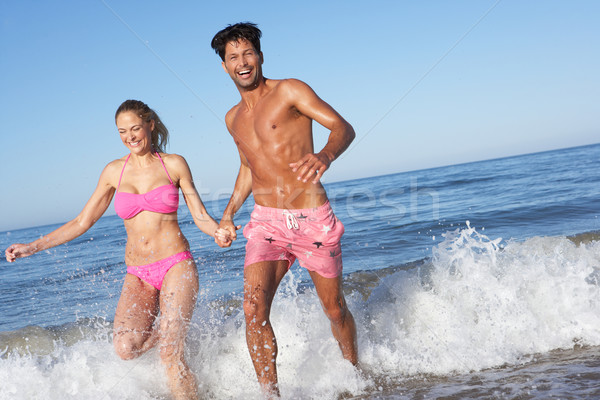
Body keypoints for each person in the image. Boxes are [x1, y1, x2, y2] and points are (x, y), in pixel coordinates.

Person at [5, 99, 230, 400]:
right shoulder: (114, 171)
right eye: (122, 131)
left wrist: (218, 230)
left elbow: (199, 214)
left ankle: (175, 346)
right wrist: (33, 246)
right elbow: (83, 220)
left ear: (150, 124)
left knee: (169, 357)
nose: (130, 136)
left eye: (135, 128)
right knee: (127, 348)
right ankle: (173, 333)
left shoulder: (173, 163)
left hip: (176, 263)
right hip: (138, 272)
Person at [211, 22, 358, 397]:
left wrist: (325, 154)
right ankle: (270, 394)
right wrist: (228, 214)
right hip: (265, 223)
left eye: (247, 54)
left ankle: (355, 378)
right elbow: (248, 167)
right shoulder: (232, 118)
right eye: (233, 58)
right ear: (225, 66)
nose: (242, 63)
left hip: (311, 217)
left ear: (260, 56)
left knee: (335, 309)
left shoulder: (290, 90)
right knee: (252, 310)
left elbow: (342, 127)